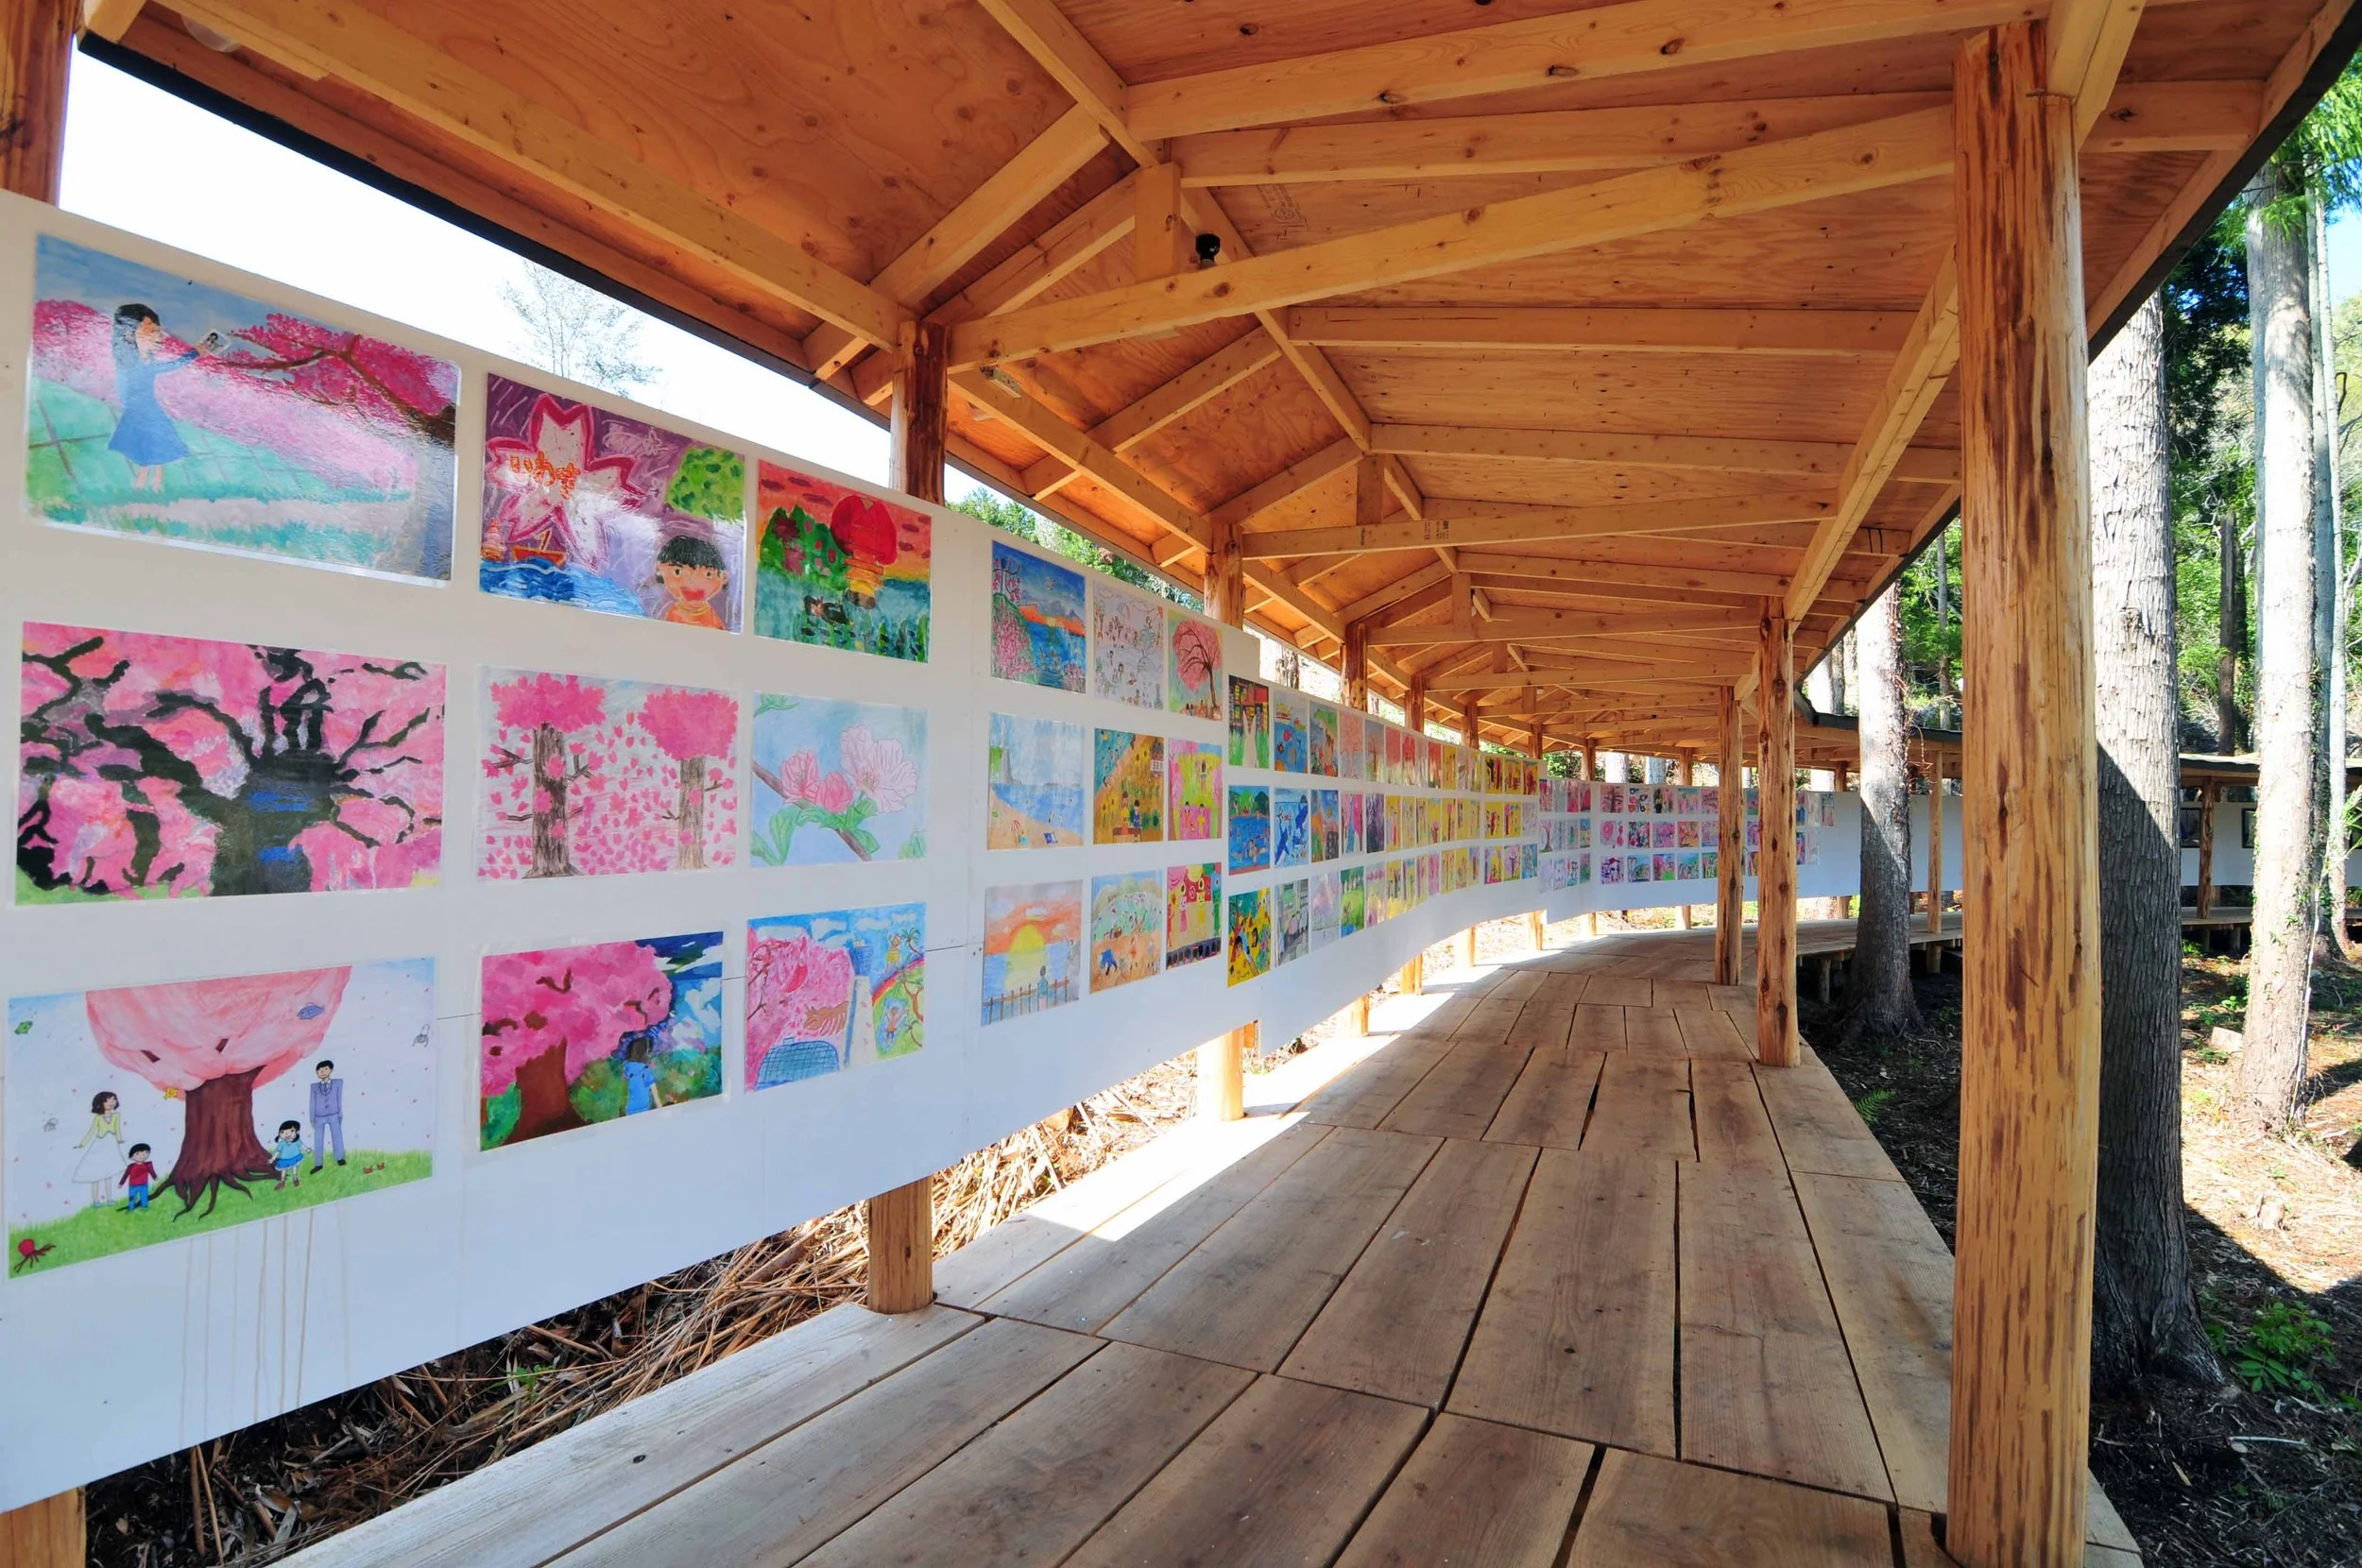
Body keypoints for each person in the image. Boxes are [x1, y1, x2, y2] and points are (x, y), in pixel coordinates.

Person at [108, 304, 221, 492]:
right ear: (129, 332)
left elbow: (169, 366)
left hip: (149, 410)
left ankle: (154, 489)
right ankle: (144, 489)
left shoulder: (146, 361)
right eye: (152, 330)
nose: (159, 336)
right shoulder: (128, 359)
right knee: (148, 452)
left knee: (155, 451)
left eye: (158, 331)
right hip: (140, 412)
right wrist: (194, 353)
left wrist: (194, 353)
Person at [654, 533, 730, 628]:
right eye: (678, 572)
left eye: (708, 574)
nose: (693, 582)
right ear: (659, 570)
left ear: (723, 577)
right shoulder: (673, 614)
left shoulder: (711, 617)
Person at [70, 1091, 124, 1206]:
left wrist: (119, 1140)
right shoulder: (98, 1118)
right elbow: (92, 1131)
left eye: (113, 1100)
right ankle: (95, 1200)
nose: (111, 1103)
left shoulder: (116, 1116)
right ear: (100, 1103)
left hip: (112, 1145)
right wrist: (82, 1144)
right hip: (100, 1145)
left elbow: (117, 1129)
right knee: (96, 1173)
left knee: (109, 1172)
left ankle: (109, 1198)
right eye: (107, 1100)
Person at [308, 1059, 345, 1170]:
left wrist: (339, 1113)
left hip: (334, 1114)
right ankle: (318, 1164)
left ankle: (340, 1158)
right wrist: (312, 1118)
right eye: (319, 1070)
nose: (322, 1072)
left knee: (337, 1136)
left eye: (325, 1069)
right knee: (318, 1139)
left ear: (331, 1070)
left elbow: (339, 1099)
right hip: (319, 1116)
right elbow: (312, 1102)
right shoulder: (314, 1087)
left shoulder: (338, 1083)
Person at [618, 1037, 664, 1116]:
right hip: (643, 1108)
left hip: (630, 1108)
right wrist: (662, 1110)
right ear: (645, 1053)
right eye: (649, 1052)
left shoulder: (628, 1067)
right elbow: (655, 1094)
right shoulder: (646, 1071)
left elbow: (623, 1079)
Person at [270, 1121, 306, 1190]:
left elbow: (302, 1146)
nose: (287, 1134)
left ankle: (295, 1179)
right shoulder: (282, 1143)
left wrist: (307, 1149)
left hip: (295, 1157)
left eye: (291, 1131)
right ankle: (282, 1182)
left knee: (294, 1168)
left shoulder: (296, 1141)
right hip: (285, 1160)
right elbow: (277, 1152)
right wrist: (272, 1159)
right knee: (284, 1170)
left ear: (296, 1132)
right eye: (283, 1132)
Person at [120, 1143, 157, 1212]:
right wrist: (121, 1183)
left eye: (146, 1152)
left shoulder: (147, 1165)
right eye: (138, 1153)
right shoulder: (131, 1167)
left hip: (144, 1185)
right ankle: (131, 1208)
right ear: (131, 1157)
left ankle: (144, 1207)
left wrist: (155, 1177)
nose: (142, 1155)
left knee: (144, 1197)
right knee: (132, 1198)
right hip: (133, 1186)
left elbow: (152, 1172)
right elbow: (125, 1175)